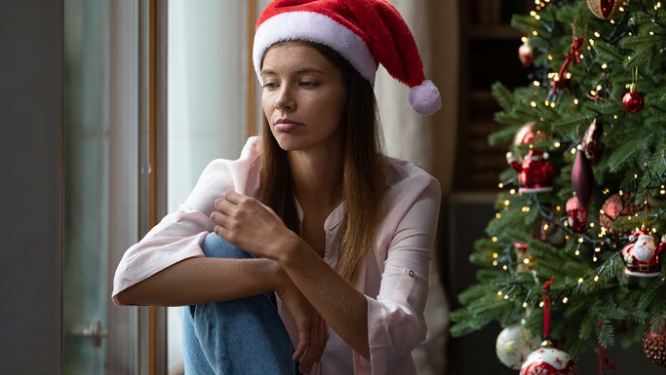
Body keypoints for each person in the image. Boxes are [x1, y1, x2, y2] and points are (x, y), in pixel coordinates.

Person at [111, 0, 443, 374]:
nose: (282, 101)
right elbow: (132, 278)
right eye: (271, 83)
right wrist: (276, 274)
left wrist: (290, 251)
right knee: (219, 252)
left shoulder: (410, 193)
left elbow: (394, 334)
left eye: (307, 83)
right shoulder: (236, 178)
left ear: (352, 95)